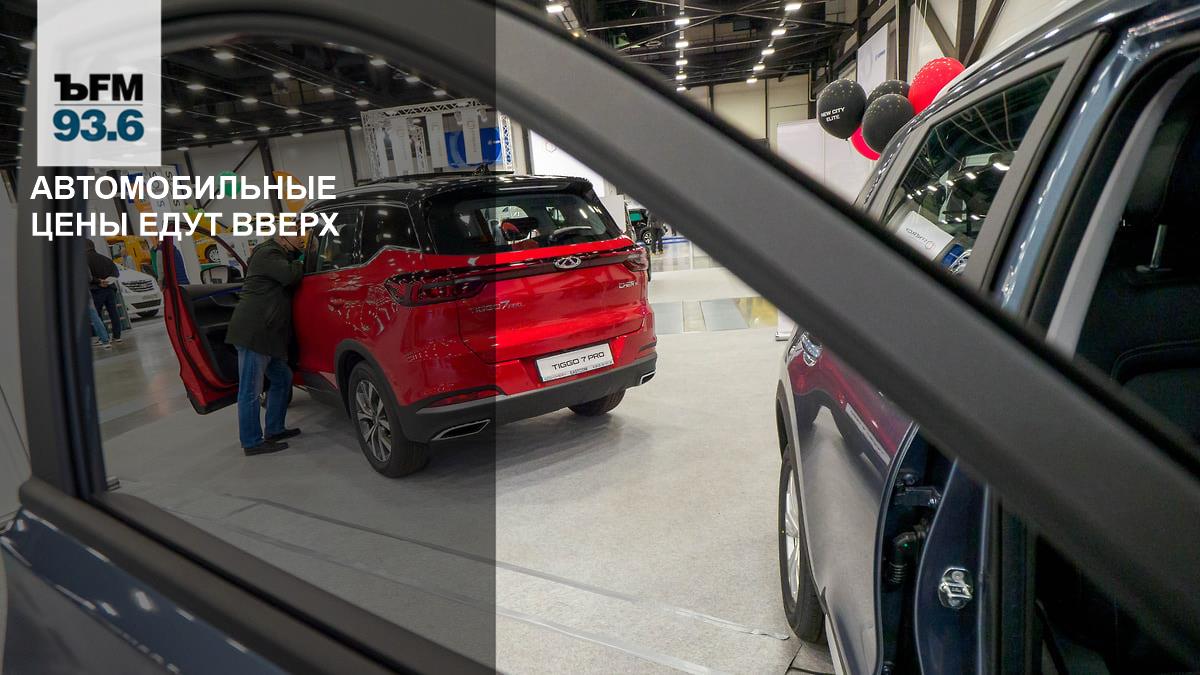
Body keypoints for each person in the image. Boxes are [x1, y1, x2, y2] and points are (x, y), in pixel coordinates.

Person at [225, 233, 305, 455]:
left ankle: (275, 429)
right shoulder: (268, 253)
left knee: (283, 378)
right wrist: (302, 259)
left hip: (266, 335)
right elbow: (290, 276)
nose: (301, 240)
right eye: (297, 236)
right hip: (255, 333)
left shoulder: (276, 253)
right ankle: (251, 442)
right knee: (250, 390)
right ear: (282, 237)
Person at [85, 239, 123, 343]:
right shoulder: (105, 259)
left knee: (97, 315)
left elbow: (87, 276)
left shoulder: (84, 260)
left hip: (96, 290)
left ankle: (103, 337)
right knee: (114, 313)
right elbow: (116, 273)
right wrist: (108, 281)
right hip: (110, 288)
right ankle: (117, 336)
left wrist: (99, 282)